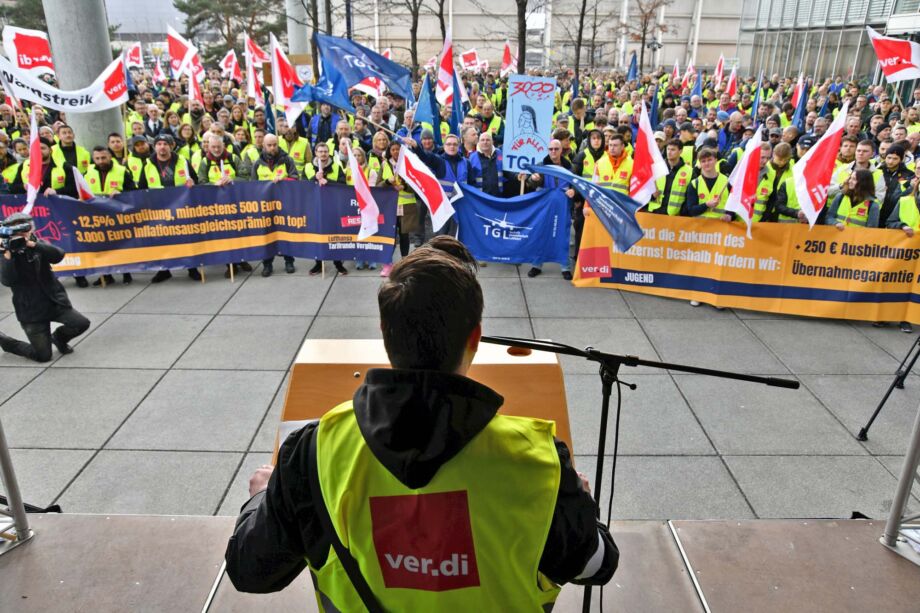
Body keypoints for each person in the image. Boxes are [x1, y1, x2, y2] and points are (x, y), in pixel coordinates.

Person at [224, 236, 618, 609]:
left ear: (385, 331)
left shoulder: (313, 453)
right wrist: (578, 502)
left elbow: (251, 571)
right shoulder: (540, 462)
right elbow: (598, 565)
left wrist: (262, 495)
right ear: (475, 337)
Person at [0, 212, 90, 363]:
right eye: (17, 231)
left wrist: (32, 244)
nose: (22, 235)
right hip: (30, 309)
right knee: (43, 356)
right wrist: (7, 255)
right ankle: (6, 343)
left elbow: (58, 255)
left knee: (81, 323)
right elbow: (7, 280)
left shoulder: (37, 243)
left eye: (25, 229)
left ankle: (58, 338)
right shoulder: (5, 251)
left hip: (54, 300)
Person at [142, 135, 200, 283]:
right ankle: (164, 270)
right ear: (154, 147)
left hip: (181, 206)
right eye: (159, 144)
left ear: (171, 146)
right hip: (159, 208)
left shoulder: (183, 161)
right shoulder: (148, 164)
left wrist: (192, 182)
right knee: (161, 240)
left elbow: (196, 181)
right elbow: (141, 188)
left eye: (165, 144)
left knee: (185, 238)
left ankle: (191, 268)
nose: (162, 147)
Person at [524, 139, 577, 280]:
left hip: (563, 206)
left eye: (556, 149)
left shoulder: (569, 167)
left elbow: (576, 184)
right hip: (544, 206)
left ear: (561, 150)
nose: (553, 151)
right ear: (548, 150)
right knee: (541, 233)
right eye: (551, 149)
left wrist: (573, 191)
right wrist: (533, 179)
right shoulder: (542, 165)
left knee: (563, 234)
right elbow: (532, 182)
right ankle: (536, 265)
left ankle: (565, 266)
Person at [253, 134, 299, 277]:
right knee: (267, 235)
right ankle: (267, 264)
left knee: (285, 234)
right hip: (266, 206)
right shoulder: (257, 163)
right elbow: (253, 185)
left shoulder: (287, 160)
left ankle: (289, 261)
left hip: (284, 205)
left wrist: (284, 179)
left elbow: (296, 178)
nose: (272, 148)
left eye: (275, 144)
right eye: (269, 145)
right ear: (263, 146)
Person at [307, 142, 348, 276]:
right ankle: (318, 263)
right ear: (315, 153)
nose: (323, 154)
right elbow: (303, 186)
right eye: (320, 151)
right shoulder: (308, 167)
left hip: (332, 207)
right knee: (317, 236)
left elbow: (343, 186)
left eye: (325, 151)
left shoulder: (336, 167)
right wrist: (315, 178)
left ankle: (338, 263)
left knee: (335, 235)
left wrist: (327, 182)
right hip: (315, 207)